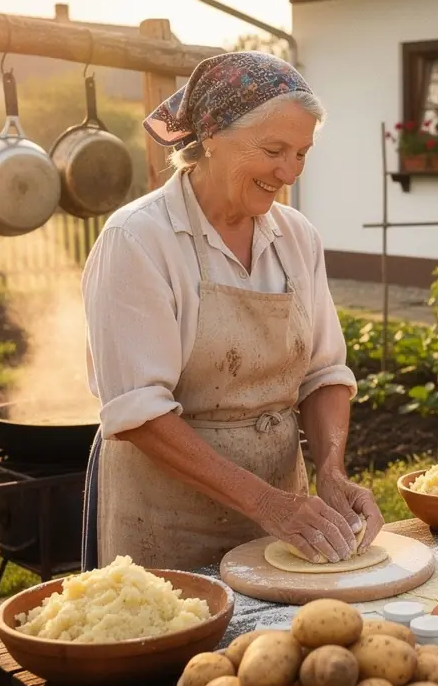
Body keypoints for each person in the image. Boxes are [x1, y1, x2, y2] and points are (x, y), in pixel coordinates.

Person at [80, 51, 383, 572]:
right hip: (163, 515)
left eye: (302, 154)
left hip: (285, 512)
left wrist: (331, 471)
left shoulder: (296, 237)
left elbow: (324, 373)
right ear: (212, 136)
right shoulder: (138, 238)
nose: (288, 172)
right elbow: (138, 412)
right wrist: (266, 502)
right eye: (274, 149)